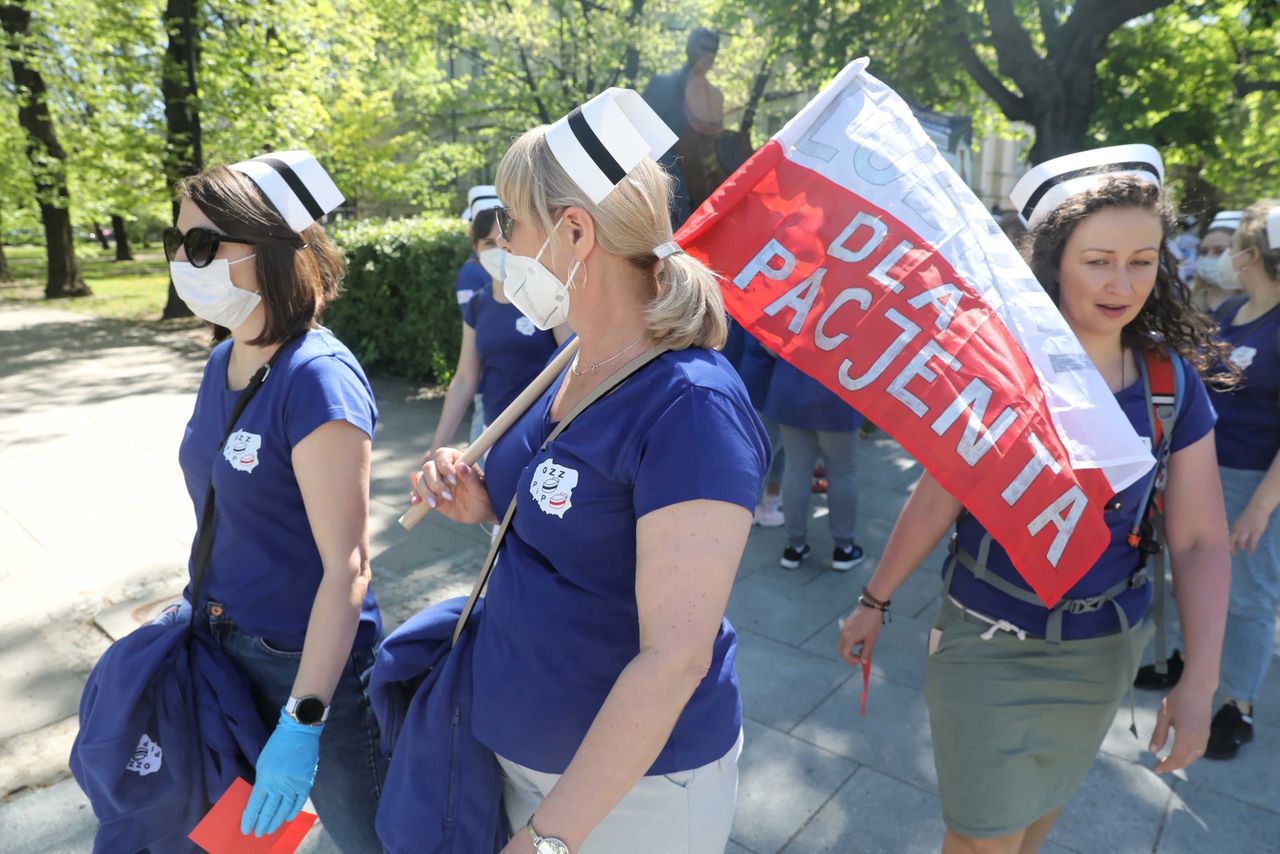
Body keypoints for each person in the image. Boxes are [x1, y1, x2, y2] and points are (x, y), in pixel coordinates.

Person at [838, 145, 1232, 854]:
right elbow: (939, 496)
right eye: (1098, 259)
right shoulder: (996, 371)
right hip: (986, 647)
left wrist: (1198, 683)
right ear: (1054, 260)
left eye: (1143, 260)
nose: (1122, 282)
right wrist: (875, 599)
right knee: (986, 838)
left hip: (1103, 655)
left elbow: (1201, 541)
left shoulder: (1171, 387)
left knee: (1034, 828)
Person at [412, 88, 768, 853]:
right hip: (525, 757)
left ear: (574, 231)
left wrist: (548, 840)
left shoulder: (691, 407)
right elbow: (559, 525)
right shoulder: (572, 359)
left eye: (510, 224)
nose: (498, 243)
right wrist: (479, 502)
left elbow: (674, 658)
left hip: (627, 800)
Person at [164, 151, 385, 850]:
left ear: (270, 248)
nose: (183, 260)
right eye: (177, 242)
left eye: (202, 244)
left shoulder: (317, 378)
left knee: (372, 840)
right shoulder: (223, 357)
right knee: (246, 840)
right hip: (222, 646)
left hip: (308, 668)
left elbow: (347, 569)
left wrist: (304, 719)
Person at [1196, 200, 1280, 759]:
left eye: (1230, 249)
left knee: (1249, 597)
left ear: (1249, 255)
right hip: (1203, 474)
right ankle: (1185, 661)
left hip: (1253, 481)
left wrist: (1260, 507)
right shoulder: (1232, 310)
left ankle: (1237, 705)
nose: (1223, 258)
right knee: (1197, 576)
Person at [429, 204, 568, 454]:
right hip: (491, 436)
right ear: (476, 249)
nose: (498, 250)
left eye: (502, 239)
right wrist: (437, 446)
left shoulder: (545, 297)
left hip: (542, 439)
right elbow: (463, 379)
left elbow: (573, 365)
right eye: (487, 244)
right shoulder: (477, 304)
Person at [763, 357, 865, 571]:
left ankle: (794, 546)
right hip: (840, 389)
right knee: (842, 472)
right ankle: (844, 549)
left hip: (790, 387)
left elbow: (769, 345)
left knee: (795, 469)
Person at [642, 28, 725, 227]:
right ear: (689, 47)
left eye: (714, 50)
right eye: (704, 47)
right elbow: (638, 134)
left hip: (700, 191)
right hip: (660, 186)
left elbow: (713, 146)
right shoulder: (662, 85)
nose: (709, 54)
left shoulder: (715, 96)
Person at [1187, 209, 1243, 314]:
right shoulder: (1183, 299)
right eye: (1203, 252)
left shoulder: (1263, 305)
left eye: (1219, 251)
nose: (1208, 257)